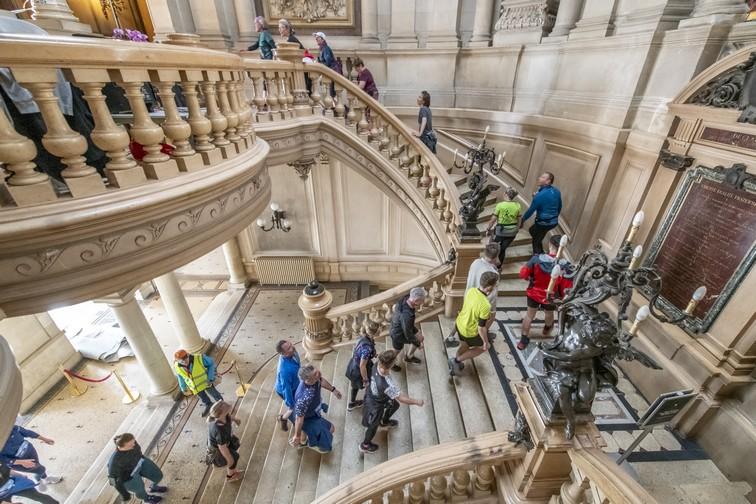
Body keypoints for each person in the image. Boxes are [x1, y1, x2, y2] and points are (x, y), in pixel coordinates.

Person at [360, 350, 424, 454]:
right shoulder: (387, 384)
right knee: (373, 426)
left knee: (395, 405)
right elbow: (401, 398)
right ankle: (365, 445)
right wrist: (417, 402)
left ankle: (384, 421)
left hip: (373, 394)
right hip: (376, 404)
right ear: (391, 364)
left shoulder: (377, 364)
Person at [517, 234, 573, 350]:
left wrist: (529, 278)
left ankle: (523, 340)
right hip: (551, 296)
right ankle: (547, 328)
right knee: (549, 313)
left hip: (534, 293)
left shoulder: (536, 259)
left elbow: (523, 274)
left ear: (550, 245)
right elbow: (567, 286)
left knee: (529, 315)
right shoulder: (565, 266)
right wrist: (562, 298)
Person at [445, 244, 501, 348]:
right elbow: (492, 295)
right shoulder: (493, 274)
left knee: (463, 316)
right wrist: (491, 310)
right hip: (481, 300)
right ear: (497, 256)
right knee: (486, 320)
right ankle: (482, 337)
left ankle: (450, 337)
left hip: (469, 294)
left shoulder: (476, 262)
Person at [448, 272, 499, 375]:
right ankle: (456, 360)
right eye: (495, 285)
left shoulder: (471, 290)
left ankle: (457, 363)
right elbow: (481, 328)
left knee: (465, 345)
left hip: (460, 324)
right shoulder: (486, 305)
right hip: (469, 331)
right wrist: (485, 342)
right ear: (489, 287)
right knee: (484, 348)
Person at [290, 364, 342, 454]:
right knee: (331, 429)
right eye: (315, 374)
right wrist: (296, 436)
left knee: (326, 429)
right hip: (308, 419)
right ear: (307, 380)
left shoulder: (316, 379)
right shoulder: (304, 398)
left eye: (316, 370)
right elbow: (299, 419)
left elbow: (321, 380)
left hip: (312, 412)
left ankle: (303, 441)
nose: (318, 373)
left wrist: (333, 390)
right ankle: (312, 444)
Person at [107, 433, 167, 504]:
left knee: (158, 475)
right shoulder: (114, 462)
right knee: (139, 489)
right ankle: (146, 499)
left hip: (140, 462)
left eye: (134, 441)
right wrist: (125, 495)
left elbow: (137, 450)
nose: (134, 445)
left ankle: (153, 487)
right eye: (130, 445)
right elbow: (113, 480)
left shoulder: (132, 443)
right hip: (129, 477)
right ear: (121, 447)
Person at [0, 424, 61, 489]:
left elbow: (26, 432)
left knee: (37, 466)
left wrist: (45, 439)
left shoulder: (8, 426)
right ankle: (40, 480)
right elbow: (2, 460)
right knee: (41, 469)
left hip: (30, 449)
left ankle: (43, 478)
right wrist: (21, 462)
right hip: (17, 461)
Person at [173, 349, 224, 418]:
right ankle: (208, 405)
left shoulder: (199, 358)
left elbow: (211, 364)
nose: (185, 361)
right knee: (203, 398)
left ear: (188, 355)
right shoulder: (177, 366)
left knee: (215, 394)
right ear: (177, 361)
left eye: (186, 358)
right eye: (182, 361)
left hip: (206, 382)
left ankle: (222, 405)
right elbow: (180, 376)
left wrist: (210, 377)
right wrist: (183, 387)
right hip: (195, 387)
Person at [521, 172, 562, 255]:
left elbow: (531, 210)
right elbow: (560, 206)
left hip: (543, 223)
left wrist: (522, 220)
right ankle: (540, 251)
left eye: (543, 177)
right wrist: (554, 217)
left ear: (548, 181)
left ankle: (538, 256)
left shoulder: (540, 196)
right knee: (533, 231)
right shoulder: (556, 191)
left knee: (535, 241)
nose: (539, 178)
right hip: (553, 222)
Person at [388, 287, 427, 372]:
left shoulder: (405, 298)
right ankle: (389, 363)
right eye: (422, 300)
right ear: (416, 301)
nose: (423, 302)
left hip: (399, 327)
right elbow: (408, 334)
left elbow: (408, 327)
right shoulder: (407, 316)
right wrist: (418, 344)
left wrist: (417, 333)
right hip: (398, 334)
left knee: (419, 337)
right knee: (397, 350)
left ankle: (408, 357)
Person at [345, 320, 379, 411]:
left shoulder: (363, 337)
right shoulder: (367, 348)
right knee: (369, 383)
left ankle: (352, 403)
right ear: (374, 333)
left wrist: (374, 354)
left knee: (354, 386)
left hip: (353, 365)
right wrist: (365, 380)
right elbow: (362, 366)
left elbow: (360, 352)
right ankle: (368, 401)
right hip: (358, 371)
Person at [207, 401, 243, 482]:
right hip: (218, 450)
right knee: (234, 458)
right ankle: (230, 476)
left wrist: (235, 420)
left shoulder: (223, 417)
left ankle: (233, 471)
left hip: (226, 441)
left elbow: (229, 416)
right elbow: (222, 448)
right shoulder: (219, 430)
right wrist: (229, 459)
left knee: (234, 454)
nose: (230, 406)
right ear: (221, 413)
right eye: (227, 408)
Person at [486, 187, 522, 267]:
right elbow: (519, 219)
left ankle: (490, 263)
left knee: (493, 247)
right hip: (512, 232)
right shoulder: (518, 205)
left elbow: (493, 219)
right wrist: (517, 228)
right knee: (503, 248)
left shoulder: (500, 205)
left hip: (500, 231)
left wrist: (488, 228)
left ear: (505, 194)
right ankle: (498, 266)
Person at [274, 339, 301, 431]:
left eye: (290, 344)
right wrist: (291, 404)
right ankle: (283, 418)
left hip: (294, 384)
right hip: (286, 389)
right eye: (289, 348)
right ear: (283, 354)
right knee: (294, 409)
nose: (292, 347)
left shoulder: (292, 352)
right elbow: (287, 389)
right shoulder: (284, 371)